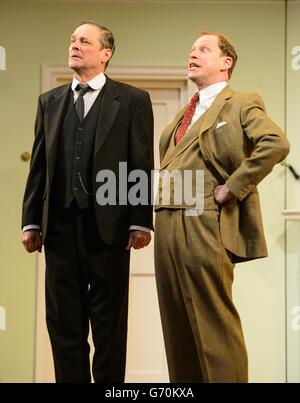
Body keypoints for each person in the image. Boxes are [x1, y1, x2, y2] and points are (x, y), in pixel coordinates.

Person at [21, 21, 154, 383]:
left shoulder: (132, 100)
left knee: (109, 327)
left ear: (105, 53)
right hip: (59, 229)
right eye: (72, 40)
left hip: (109, 232)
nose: (74, 46)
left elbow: (140, 163)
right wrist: (31, 221)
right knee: (64, 326)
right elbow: (39, 165)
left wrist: (140, 220)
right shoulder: (49, 102)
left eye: (83, 41)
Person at [154, 31, 290, 383]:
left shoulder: (241, 103)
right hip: (167, 222)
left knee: (212, 323)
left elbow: (275, 143)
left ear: (226, 62)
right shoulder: (179, 118)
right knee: (177, 323)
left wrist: (232, 187)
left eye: (203, 49)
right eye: (191, 49)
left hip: (204, 223)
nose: (193, 54)